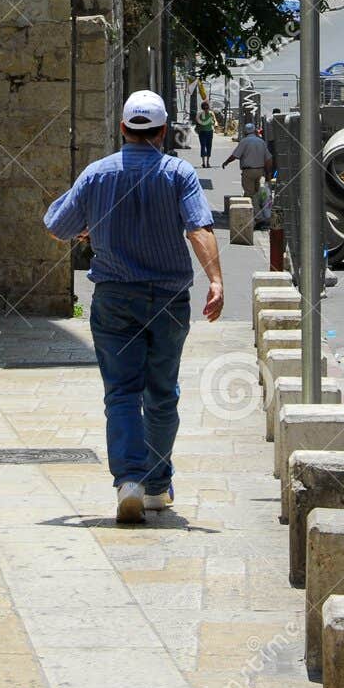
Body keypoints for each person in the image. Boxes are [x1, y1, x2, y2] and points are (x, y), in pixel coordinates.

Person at [43, 90, 223, 525]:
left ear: (122, 128)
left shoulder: (97, 174)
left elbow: (56, 227)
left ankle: (129, 481)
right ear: (163, 132)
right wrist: (216, 280)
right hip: (168, 300)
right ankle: (157, 485)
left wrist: (93, 224)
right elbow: (198, 229)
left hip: (115, 298)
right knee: (162, 392)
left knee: (121, 392)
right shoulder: (178, 173)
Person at [223, 123, 273, 206]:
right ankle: (259, 210)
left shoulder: (244, 141)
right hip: (260, 171)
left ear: (245, 132)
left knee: (249, 194)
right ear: (254, 131)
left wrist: (226, 162)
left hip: (248, 171)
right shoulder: (261, 141)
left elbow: (235, 155)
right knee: (257, 192)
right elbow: (268, 159)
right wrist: (268, 173)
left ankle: (254, 212)